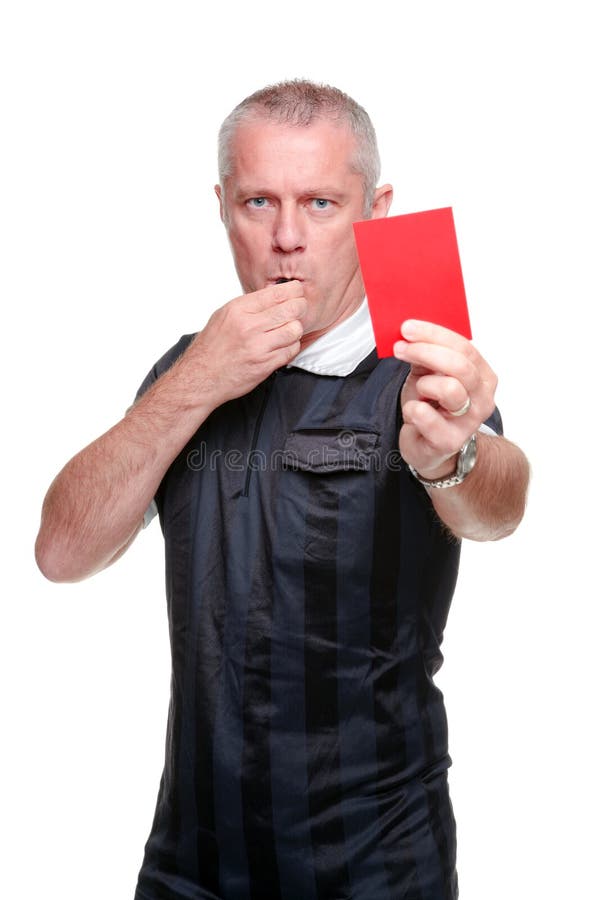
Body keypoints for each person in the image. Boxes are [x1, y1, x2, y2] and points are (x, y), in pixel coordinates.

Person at [35, 80, 529, 899]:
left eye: (323, 204)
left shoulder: (421, 375)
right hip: (189, 866)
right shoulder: (184, 371)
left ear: (376, 211)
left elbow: (500, 503)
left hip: (375, 868)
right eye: (259, 201)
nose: (287, 239)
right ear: (223, 205)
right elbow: (61, 551)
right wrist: (196, 380)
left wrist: (453, 457)